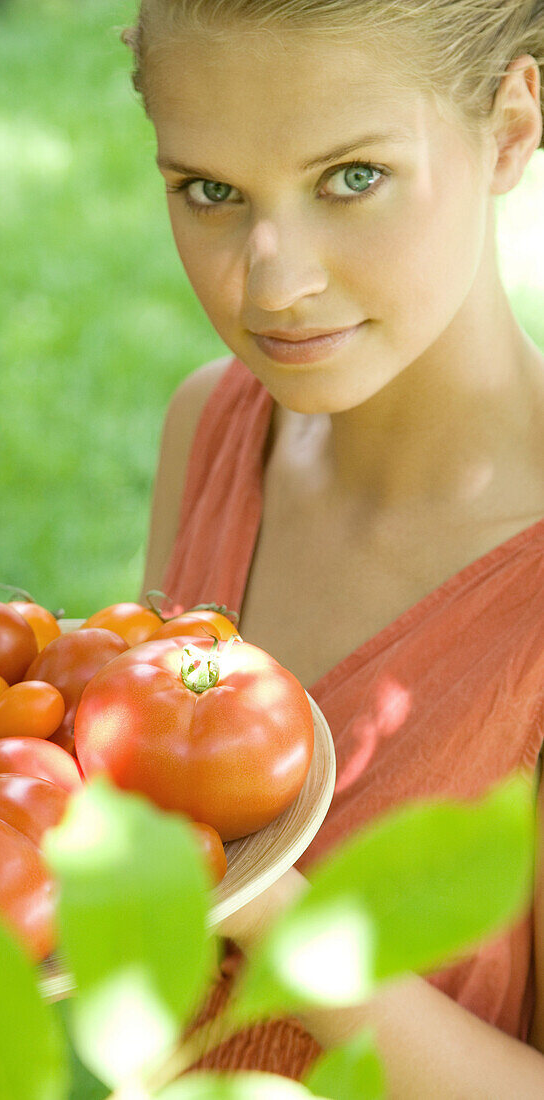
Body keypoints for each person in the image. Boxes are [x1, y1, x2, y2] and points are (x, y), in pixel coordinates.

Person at [124, 0, 544, 1093]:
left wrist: (261, 901)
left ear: (508, 130)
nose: (272, 284)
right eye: (209, 192)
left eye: (351, 177)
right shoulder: (212, 428)